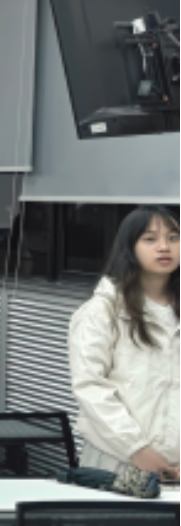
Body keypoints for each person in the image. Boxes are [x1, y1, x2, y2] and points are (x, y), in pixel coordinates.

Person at [68, 207, 180, 483]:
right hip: (117, 463)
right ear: (129, 247)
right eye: (150, 239)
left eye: (174, 237)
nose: (164, 247)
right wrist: (138, 450)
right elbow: (90, 387)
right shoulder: (102, 311)